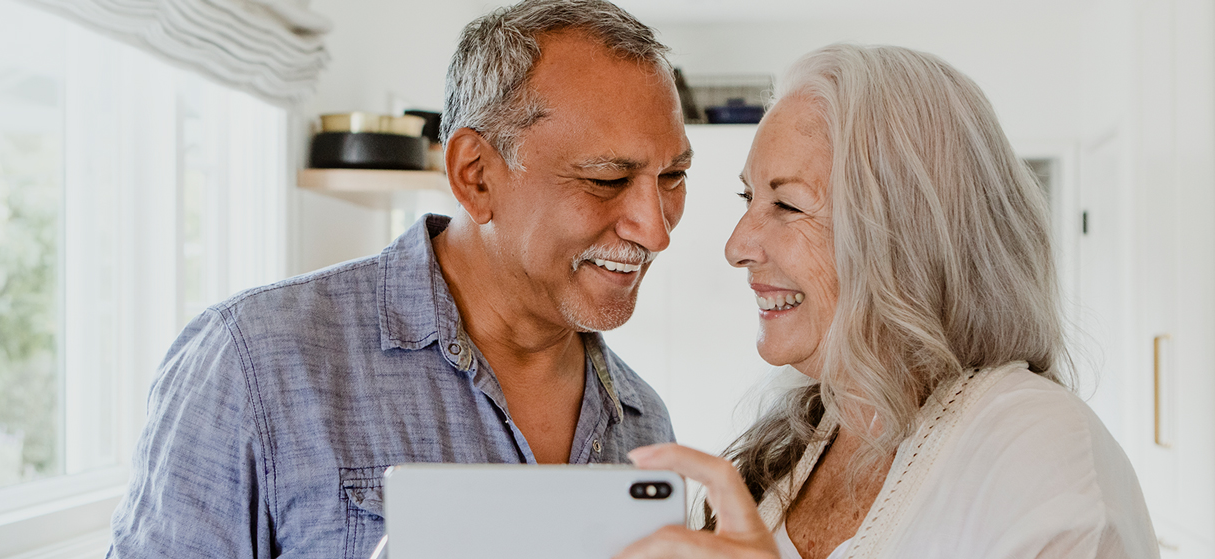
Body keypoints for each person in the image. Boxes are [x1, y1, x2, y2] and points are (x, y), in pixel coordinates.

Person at [108, 0, 693, 557]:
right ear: (476, 175)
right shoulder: (253, 361)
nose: (656, 230)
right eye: (607, 179)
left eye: (672, 175)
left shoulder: (644, 420)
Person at [617, 44, 1160, 559]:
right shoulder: (794, 444)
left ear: (907, 234)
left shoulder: (1038, 449)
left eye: (786, 204)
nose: (737, 246)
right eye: (748, 197)